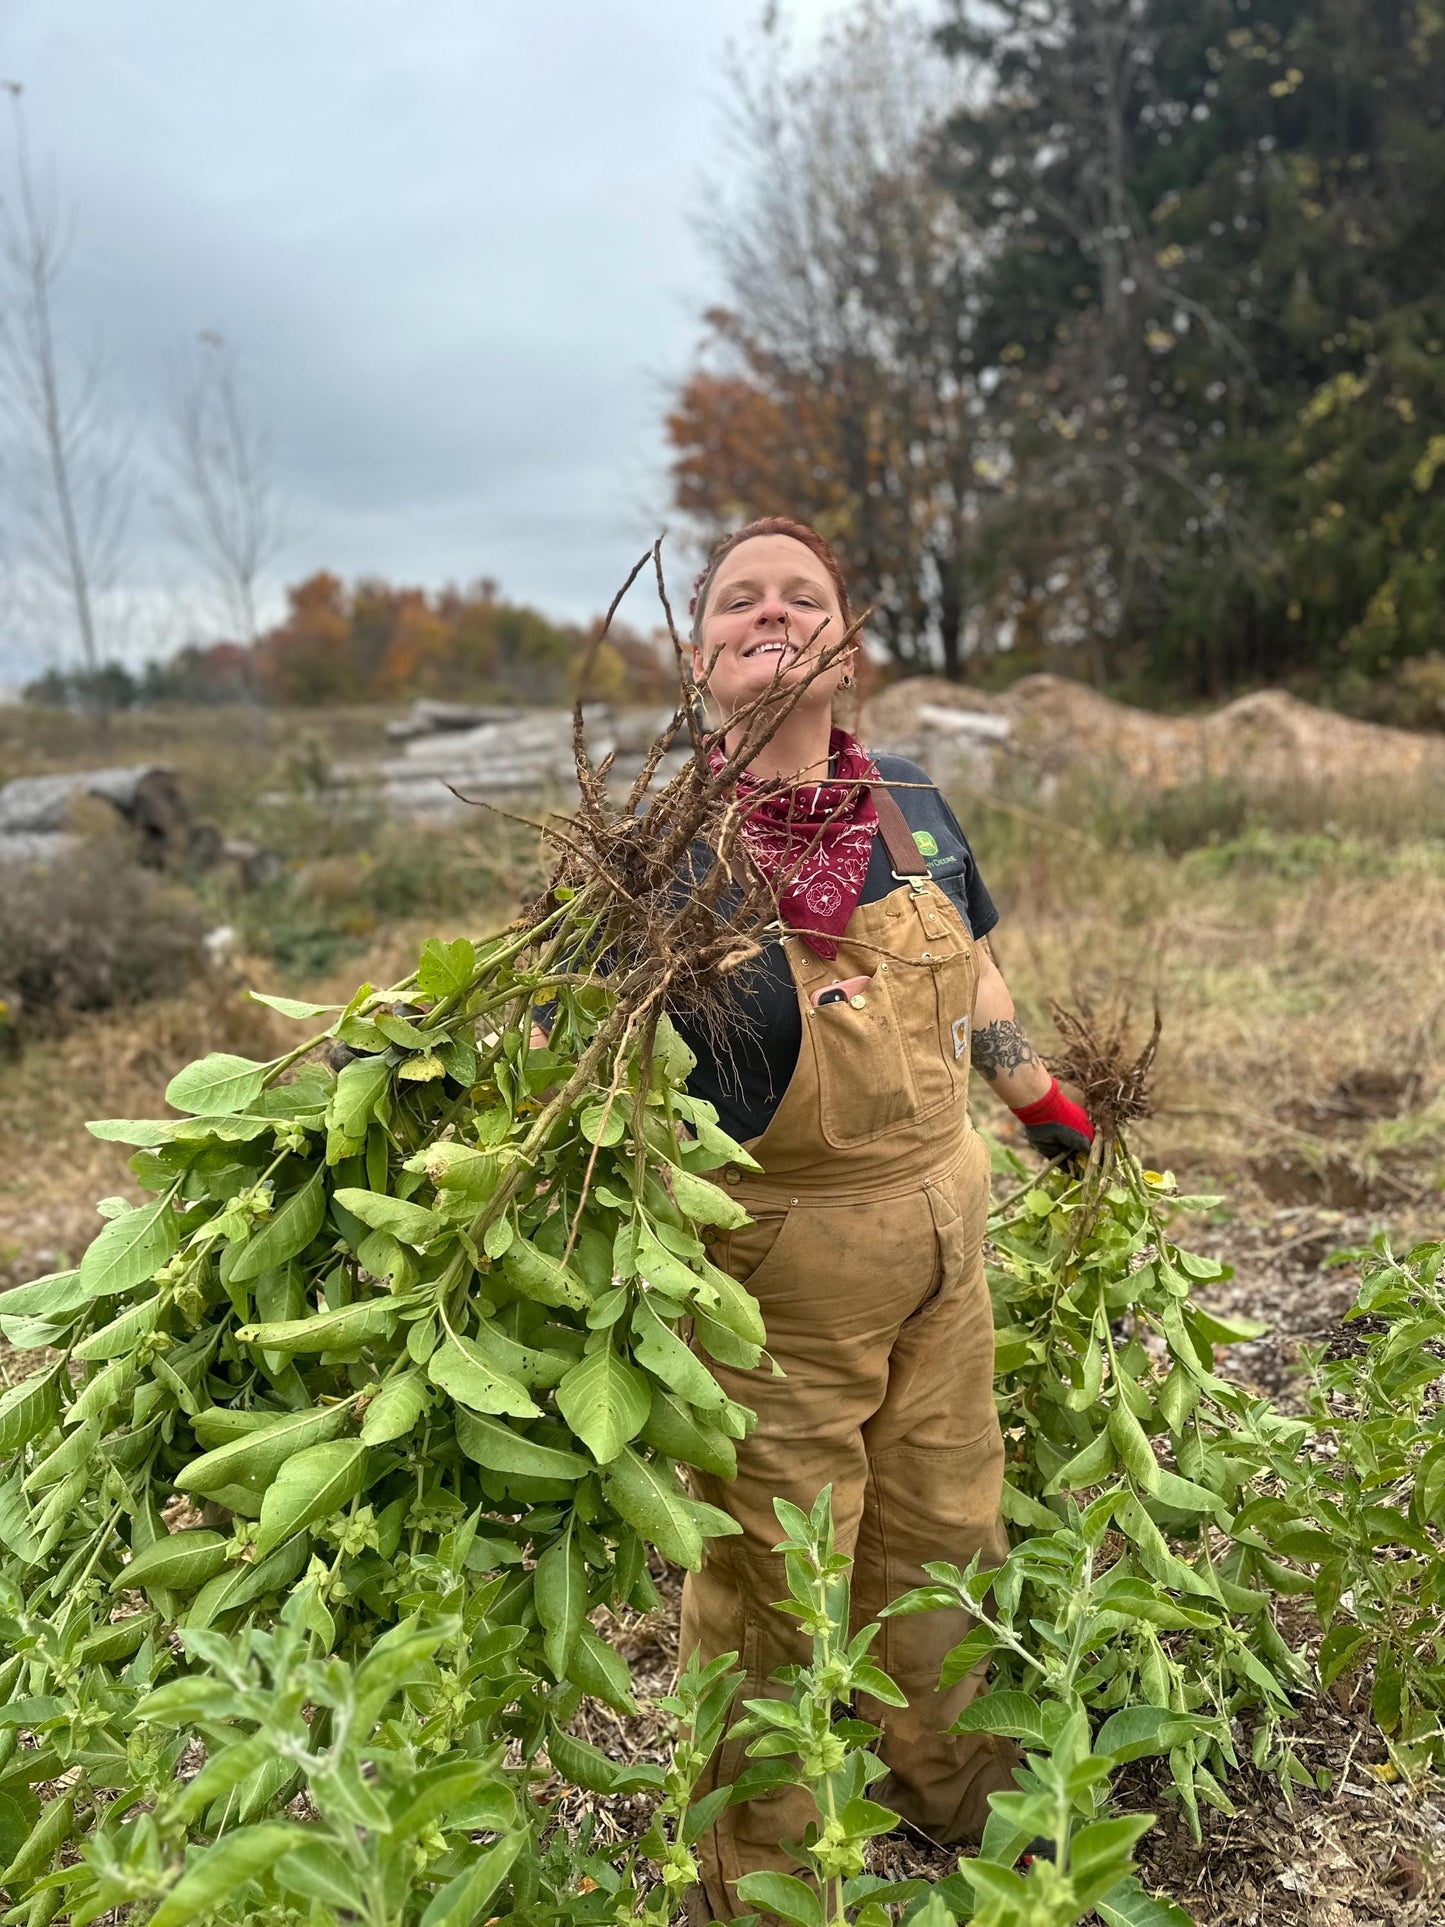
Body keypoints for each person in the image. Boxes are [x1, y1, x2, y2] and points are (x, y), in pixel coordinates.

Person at [670, 517, 1093, 1921]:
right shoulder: (653, 855)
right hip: (778, 1274)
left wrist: (1037, 1101)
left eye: (805, 596)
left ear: (847, 653)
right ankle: (761, 1876)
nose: (772, 614)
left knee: (946, 1528)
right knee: (778, 1582)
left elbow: (967, 964)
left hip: (942, 1243)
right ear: (699, 660)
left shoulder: (910, 803)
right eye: (739, 601)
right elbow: (583, 1078)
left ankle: (956, 1789)